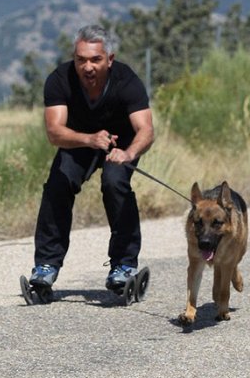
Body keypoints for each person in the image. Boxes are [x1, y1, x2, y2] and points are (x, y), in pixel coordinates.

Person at [29, 24, 155, 291]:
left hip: (120, 145)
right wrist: (89, 139)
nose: (88, 67)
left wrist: (129, 153)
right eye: (81, 60)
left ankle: (123, 264)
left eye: (96, 60)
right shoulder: (59, 79)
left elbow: (146, 130)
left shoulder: (126, 80)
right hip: (79, 140)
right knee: (58, 185)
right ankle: (46, 266)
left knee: (114, 184)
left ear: (110, 59)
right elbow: (54, 133)